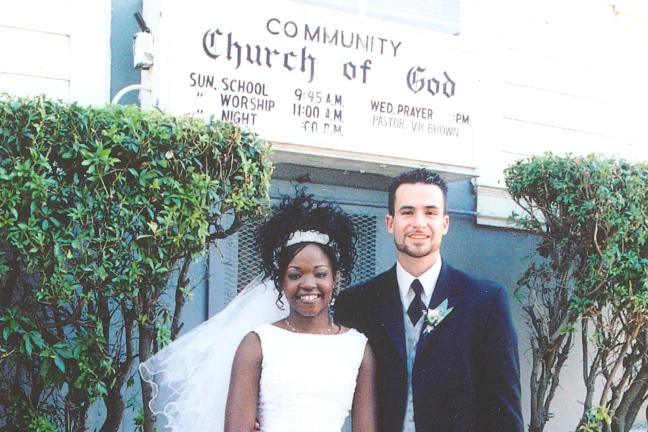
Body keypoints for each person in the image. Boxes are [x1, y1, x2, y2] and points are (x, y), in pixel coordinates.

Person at [140, 192, 377, 432]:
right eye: (295, 275)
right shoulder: (258, 343)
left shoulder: (357, 347)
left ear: (335, 279)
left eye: (320, 274)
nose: (308, 284)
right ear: (281, 281)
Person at [335, 168, 523, 432]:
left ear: (445, 224)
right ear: (391, 223)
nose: (419, 223)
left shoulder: (485, 301)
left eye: (430, 212)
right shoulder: (355, 304)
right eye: (407, 212)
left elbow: (504, 409)